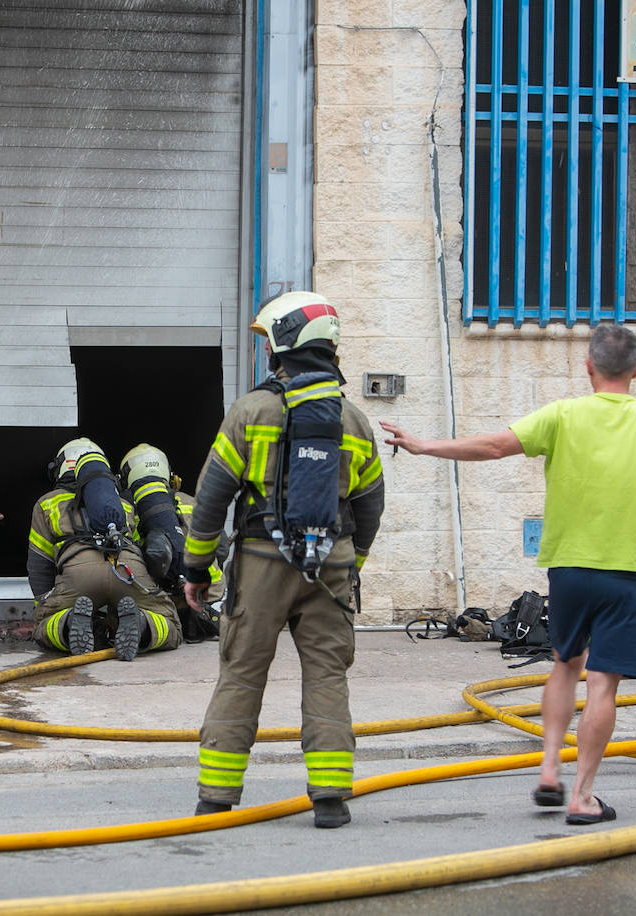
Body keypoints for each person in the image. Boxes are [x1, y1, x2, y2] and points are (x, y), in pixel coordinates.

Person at [379, 322, 636, 826]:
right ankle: (582, 797)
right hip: (625, 574)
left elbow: (492, 447)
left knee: (564, 665)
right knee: (602, 685)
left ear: (588, 366)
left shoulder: (563, 415)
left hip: (568, 570)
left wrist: (424, 446)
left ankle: (550, 769)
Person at [183, 291, 385, 828]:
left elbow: (211, 500)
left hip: (260, 565)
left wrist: (197, 569)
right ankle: (330, 798)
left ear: (282, 345)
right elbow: (370, 506)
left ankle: (215, 798)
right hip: (330, 569)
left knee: (242, 674)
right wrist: (352, 563)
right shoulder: (355, 421)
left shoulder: (250, 412)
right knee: (327, 677)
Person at [28, 437, 183, 661]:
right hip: (127, 570)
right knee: (170, 624)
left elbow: (39, 563)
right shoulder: (124, 503)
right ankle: (142, 623)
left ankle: (69, 622)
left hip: (79, 573)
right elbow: (142, 550)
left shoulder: (47, 502)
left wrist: (45, 604)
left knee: (45, 623)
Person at [117, 442, 224, 643]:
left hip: (160, 597)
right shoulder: (190, 501)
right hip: (207, 593)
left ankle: (144, 625)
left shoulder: (124, 507)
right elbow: (222, 546)